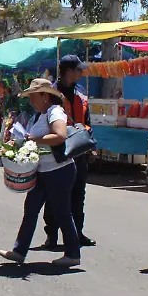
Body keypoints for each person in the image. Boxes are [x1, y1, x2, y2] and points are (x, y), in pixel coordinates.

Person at [0, 78, 81, 268]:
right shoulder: (40, 115)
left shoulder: (55, 112)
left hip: (59, 171)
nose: (32, 101)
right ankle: (19, 251)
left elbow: (59, 136)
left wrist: (32, 139)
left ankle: (73, 254)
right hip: (43, 171)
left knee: (62, 212)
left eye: (34, 96)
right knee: (31, 209)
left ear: (45, 96)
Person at [44, 55, 95, 249]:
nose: (82, 72)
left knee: (78, 193)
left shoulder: (81, 92)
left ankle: (77, 233)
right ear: (69, 71)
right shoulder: (51, 92)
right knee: (54, 193)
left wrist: (90, 145)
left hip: (79, 148)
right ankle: (52, 235)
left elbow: (87, 119)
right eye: (78, 69)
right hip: (58, 149)